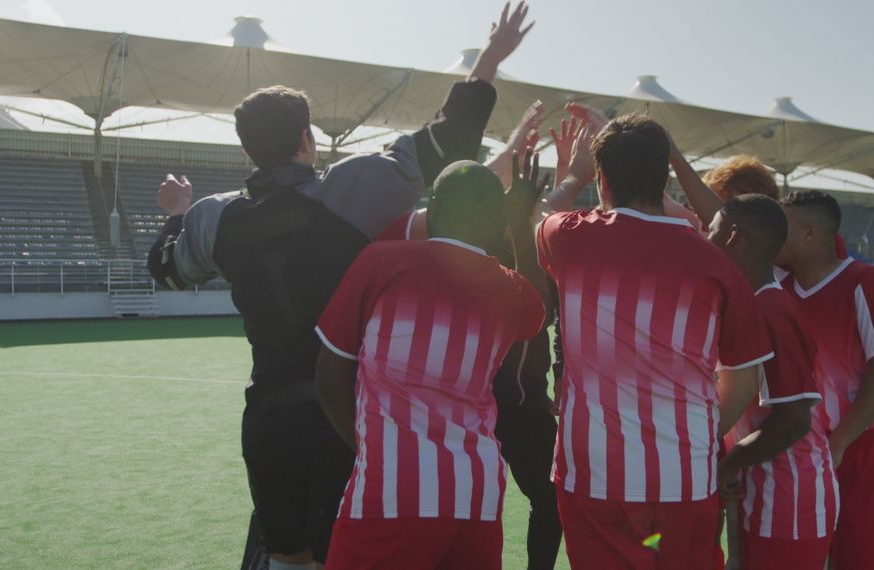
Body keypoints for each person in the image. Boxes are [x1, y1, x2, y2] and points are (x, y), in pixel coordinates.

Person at [147, 4, 534, 568]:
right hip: (344, 416)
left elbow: (166, 270)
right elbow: (449, 138)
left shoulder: (213, 217)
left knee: (285, 554)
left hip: (268, 418)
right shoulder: (349, 190)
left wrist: (177, 212)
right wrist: (491, 58)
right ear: (307, 138)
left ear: (247, 147)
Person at [537, 114, 773, 569]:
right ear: (664, 176)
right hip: (683, 478)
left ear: (602, 180)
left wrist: (573, 173)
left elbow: (542, 212)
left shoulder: (568, 237)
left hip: (593, 476)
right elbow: (743, 382)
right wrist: (698, 437)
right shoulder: (718, 263)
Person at [313, 156, 551, 570]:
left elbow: (330, 381)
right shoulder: (507, 288)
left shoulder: (380, 261)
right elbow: (539, 307)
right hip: (476, 491)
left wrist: (371, 448)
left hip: (392, 490)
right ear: (498, 220)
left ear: (434, 208)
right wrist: (522, 225)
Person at [376, 105, 564, 569]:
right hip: (460, 406)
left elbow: (537, 312)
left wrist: (529, 216)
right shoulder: (441, 244)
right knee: (455, 505)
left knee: (550, 497)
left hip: (521, 405)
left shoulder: (531, 245)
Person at [775, 190, 874, 570]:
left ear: (810, 233)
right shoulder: (779, 291)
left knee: (859, 559)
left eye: (782, 226)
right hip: (800, 451)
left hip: (860, 448)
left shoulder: (863, 282)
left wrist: (840, 441)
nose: (772, 234)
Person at [708, 195, 838, 569]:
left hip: (790, 501)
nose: (706, 239)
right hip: (764, 491)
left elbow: (795, 419)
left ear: (732, 237)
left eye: (712, 231)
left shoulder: (771, 311)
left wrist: (730, 462)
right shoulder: (755, 304)